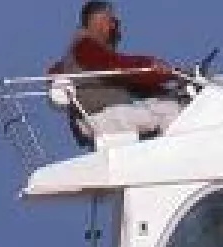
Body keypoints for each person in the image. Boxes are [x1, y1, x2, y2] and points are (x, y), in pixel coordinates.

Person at [49, 1, 183, 142]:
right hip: (99, 116)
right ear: (97, 19)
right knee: (171, 111)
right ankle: (175, 152)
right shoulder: (85, 47)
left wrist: (170, 90)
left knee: (166, 105)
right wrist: (155, 68)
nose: (113, 26)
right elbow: (120, 68)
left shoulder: (86, 54)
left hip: (104, 114)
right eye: (110, 20)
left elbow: (132, 84)